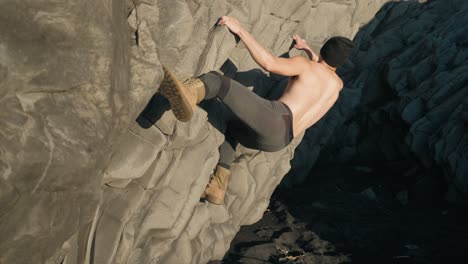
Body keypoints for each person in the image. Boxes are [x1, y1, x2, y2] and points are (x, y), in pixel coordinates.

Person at [158, 16, 354, 205]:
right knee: (233, 130)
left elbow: (269, 63)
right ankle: (217, 186)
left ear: (324, 51)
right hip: (281, 141)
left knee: (217, 81)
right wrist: (308, 50)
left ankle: (189, 95)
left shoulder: (305, 66)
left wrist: (239, 29)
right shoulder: (336, 85)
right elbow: (323, 68)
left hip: (276, 119)